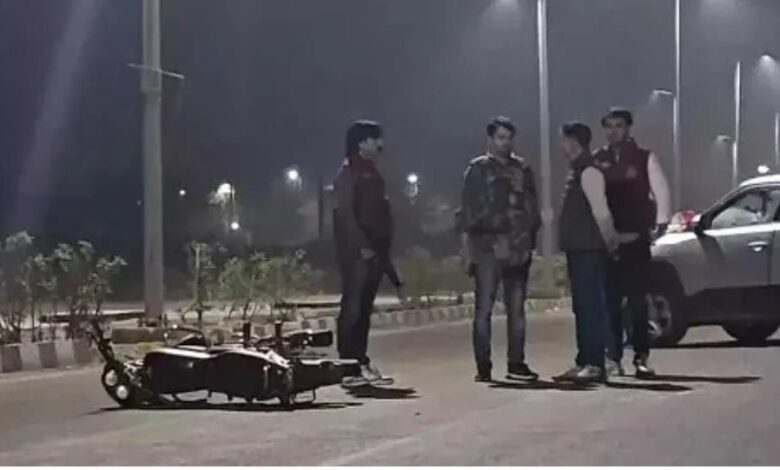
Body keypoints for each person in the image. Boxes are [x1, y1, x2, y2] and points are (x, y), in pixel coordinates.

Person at [457, 116, 542, 383]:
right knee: (484, 309)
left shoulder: (522, 169)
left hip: (518, 250)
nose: (505, 143)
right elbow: (466, 212)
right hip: (487, 249)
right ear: (490, 139)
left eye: (509, 138)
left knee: (516, 311)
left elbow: (533, 209)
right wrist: (466, 249)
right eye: (500, 138)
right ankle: (483, 366)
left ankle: (516, 363)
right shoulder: (478, 170)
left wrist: (530, 242)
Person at [553, 122, 637, 384]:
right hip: (578, 249)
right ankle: (585, 360)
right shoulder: (578, 170)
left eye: (563, 140)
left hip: (589, 250)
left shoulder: (589, 172)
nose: (560, 145)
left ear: (574, 142)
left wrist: (611, 242)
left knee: (590, 308)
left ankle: (595, 363)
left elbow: (601, 213)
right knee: (582, 307)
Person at [594, 108, 672, 379]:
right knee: (610, 303)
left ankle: (641, 356)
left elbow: (660, 190)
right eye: (609, 126)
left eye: (619, 125)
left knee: (638, 302)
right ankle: (613, 357)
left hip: (636, 239)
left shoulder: (644, 158)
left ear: (628, 128)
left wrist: (660, 222)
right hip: (607, 242)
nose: (614, 131)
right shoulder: (597, 160)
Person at [333, 120, 395, 389]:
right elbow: (346, 215)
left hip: (375, 250)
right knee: (353, 307)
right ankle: (347, 366)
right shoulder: (349, 172)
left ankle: (360, 360)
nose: (380, 143)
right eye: (375, 139)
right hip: (357, 252)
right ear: (361, 142)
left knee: (365, 309)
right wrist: (362, 245)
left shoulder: (372, 171)